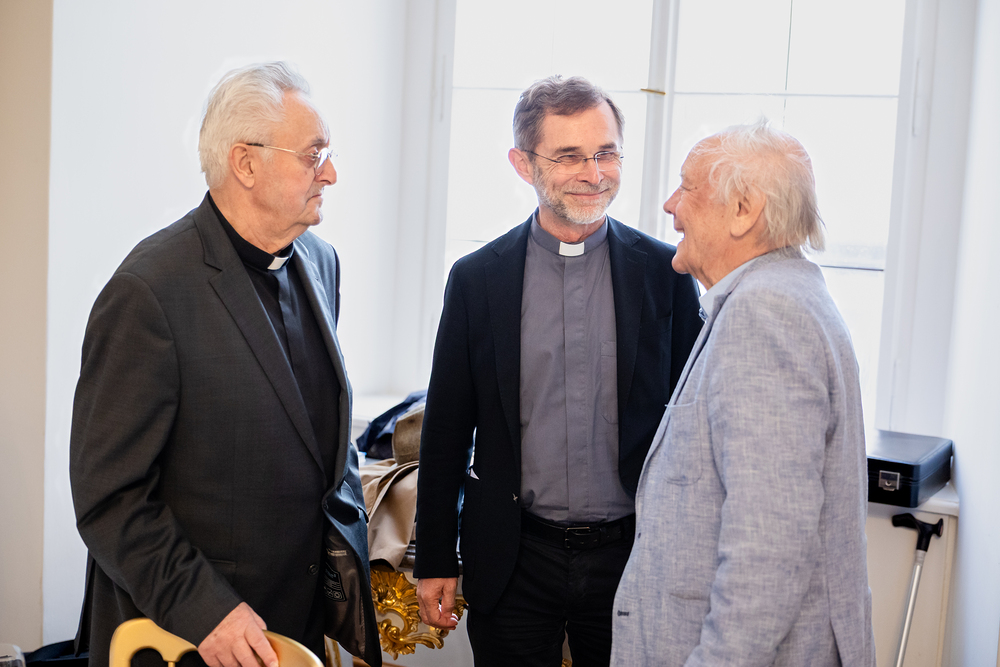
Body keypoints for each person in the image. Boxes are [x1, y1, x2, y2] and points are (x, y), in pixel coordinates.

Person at [69, 62, 373, 667]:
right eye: (313, 155)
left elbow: (315, 438)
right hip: (191, 629)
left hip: (297, 619)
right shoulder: (148, 291)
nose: (331, 173)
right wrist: (205, 609)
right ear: (245, 163)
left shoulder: (322, 260)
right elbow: (110, 496)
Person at [413, 75, 703, 666]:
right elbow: (446, 432)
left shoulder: (665, 272)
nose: (594, 174)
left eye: (606, 153)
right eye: (569, 156)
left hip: (633, 556)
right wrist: (436, 558)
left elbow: (694, 426)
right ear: (523, 164)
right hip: (515, 557)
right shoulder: (477, 280)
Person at [611, 120, 875, 666]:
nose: (670, 206)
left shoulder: (765, 313)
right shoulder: (785, 293)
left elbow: (768, 548)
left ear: (743, 210)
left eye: (687, 187)